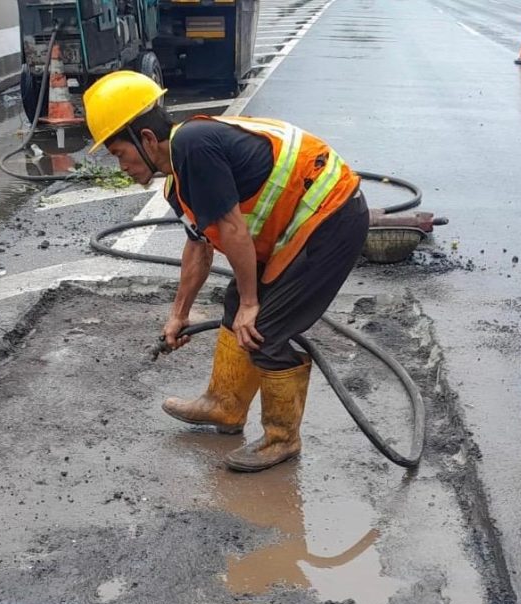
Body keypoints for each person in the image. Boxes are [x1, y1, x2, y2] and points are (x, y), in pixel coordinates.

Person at [83, 70, 370, 472]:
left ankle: (281, 438)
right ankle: (224, 406)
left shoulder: (193, 146)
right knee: (235, 302)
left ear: (146, 139)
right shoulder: (176, 181)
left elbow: (233, 229)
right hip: (297, 226)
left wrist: (254, 303)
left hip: (332, 216)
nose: (122, 167)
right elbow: (199, 247)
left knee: (263, 329)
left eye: (119, 155)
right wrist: (178, 315)